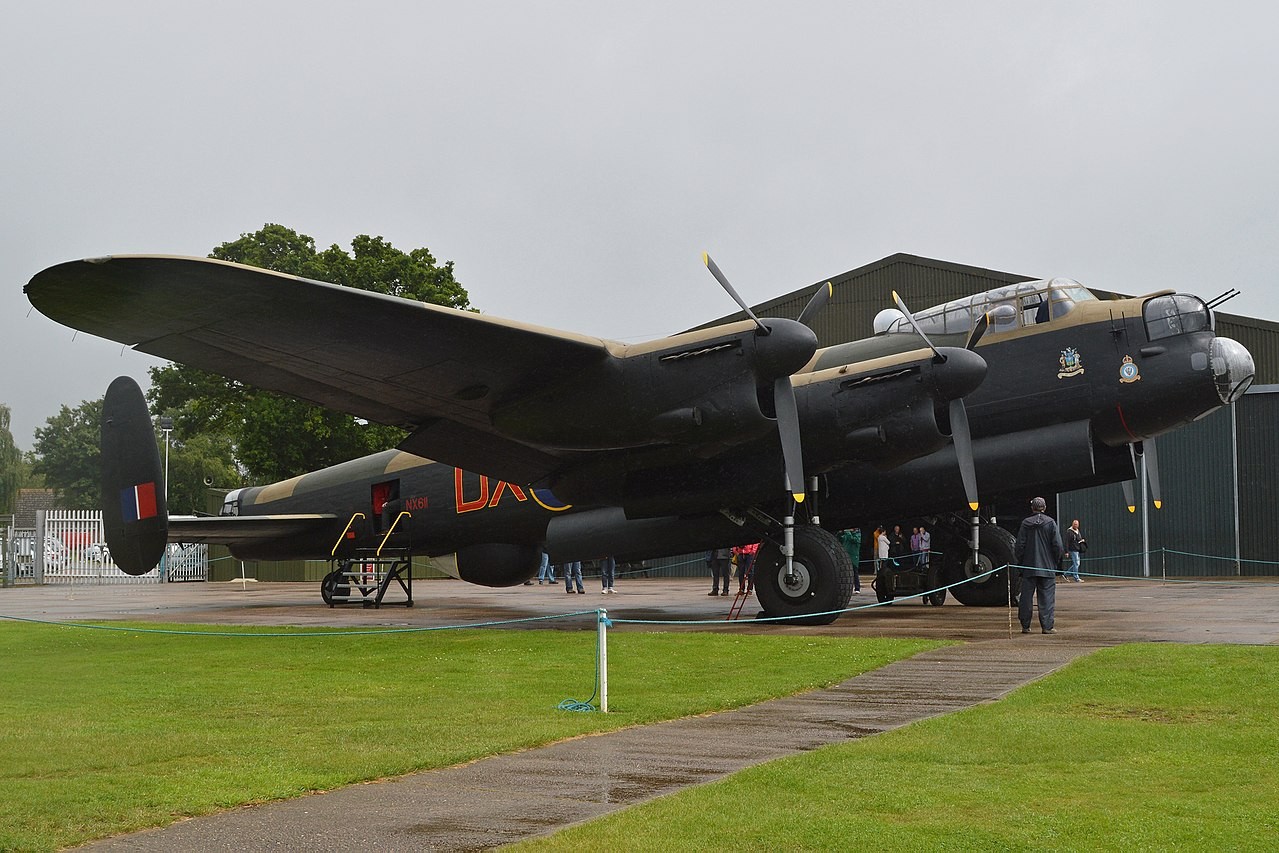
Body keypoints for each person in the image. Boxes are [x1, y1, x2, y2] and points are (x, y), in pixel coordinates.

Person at [1015, 496, 1063, 634]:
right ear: (1045, 507)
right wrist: (1055, 561)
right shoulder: (1050, 523)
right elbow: (1058, 546)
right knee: (1047, 597)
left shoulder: (1025, 523)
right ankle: (1047, 626)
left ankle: (1025, 625)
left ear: (1032, 508)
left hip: (1029, 566)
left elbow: (1019, 546)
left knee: (1025, 598)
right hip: (1047, 567)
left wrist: (1021, 562)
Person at [836, 528, 862, 593]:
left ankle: (857, 588)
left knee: (855, 573)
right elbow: (839, 539)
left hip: (853, 557)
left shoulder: (857, 535)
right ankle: (844, 588)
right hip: (845, 556)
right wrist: (840, 533)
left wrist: (848, 533)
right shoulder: (846, 536)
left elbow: (854, 540)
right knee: (844, 573)